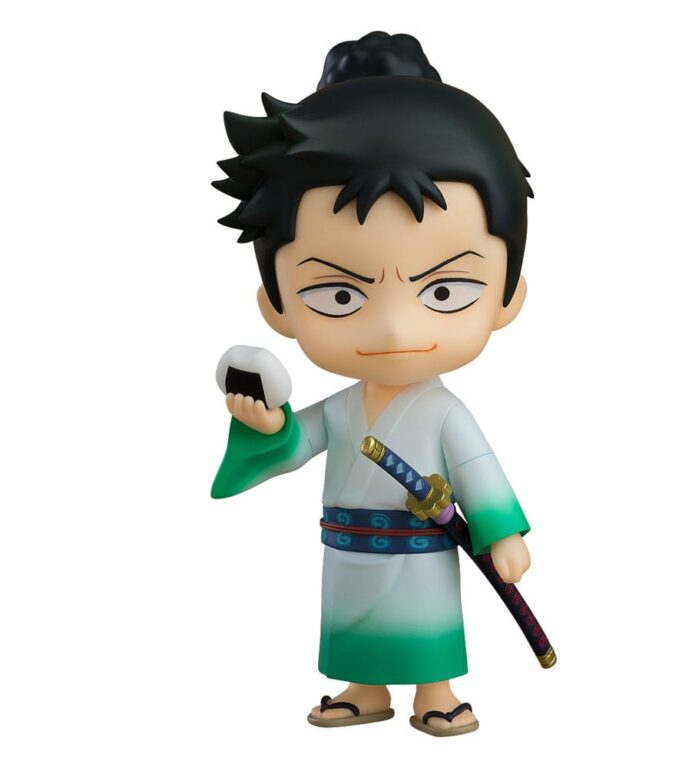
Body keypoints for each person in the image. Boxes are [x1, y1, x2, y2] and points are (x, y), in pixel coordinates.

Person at [211, 31, 535, 737]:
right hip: (349, 550)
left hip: (422, 552)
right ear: (277, 306)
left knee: (426, 623)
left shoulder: (445, 413)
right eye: (339, 295)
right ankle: (364, 687)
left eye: (444, 290)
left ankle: (435, 691)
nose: (392, 327)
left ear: (507, 297)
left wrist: (502, 532)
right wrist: (268, 426)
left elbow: (479, 473)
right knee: (354, 623)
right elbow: (295, 443)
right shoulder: (344, 407)